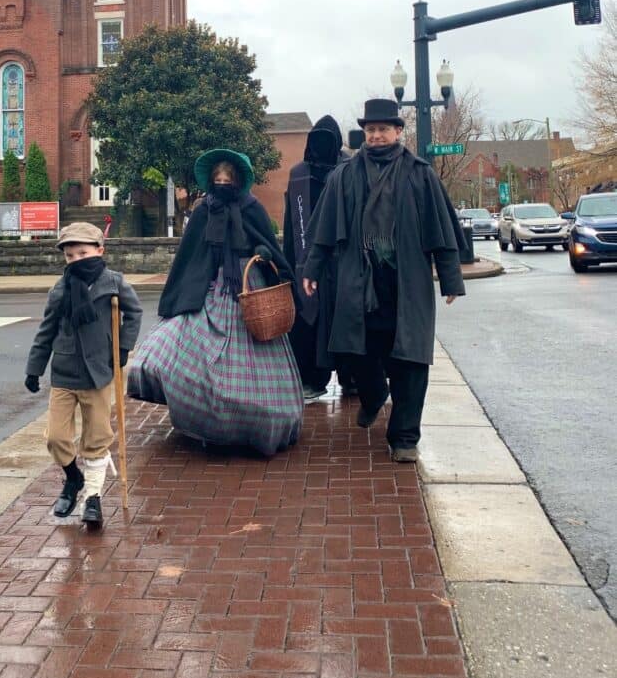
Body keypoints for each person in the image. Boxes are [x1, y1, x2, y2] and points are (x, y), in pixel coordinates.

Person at [302, 100, 465, 462]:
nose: (376, 136)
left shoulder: (420, 174)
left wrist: (450, 278)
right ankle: (374, 395)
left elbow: (440, 228)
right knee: (354, 349)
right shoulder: (344, 175)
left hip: (406, 282)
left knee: (411, 360)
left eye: (383, 130)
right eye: (371, 130)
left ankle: (404, 437)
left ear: (397, 131)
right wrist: (311, 269)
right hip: (359, 280)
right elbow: (324, 230)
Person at [127, 148, 304, 456]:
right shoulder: (202, 210)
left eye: (227, 179)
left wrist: (262, 251)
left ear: (238, 180)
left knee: (251, 355)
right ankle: (211, 423)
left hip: (248, 287)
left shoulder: (252, 207)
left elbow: (266, 240)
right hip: (209, 288)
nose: (222, 184)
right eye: (217, 179)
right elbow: (189, 255)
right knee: (193, 350)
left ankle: (253, 423)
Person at [24, 222, 142, 525]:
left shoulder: (113, 282)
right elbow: (47, 330)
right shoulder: (60, 289)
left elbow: (134, 313)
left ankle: (92, 498)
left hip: (99, 372)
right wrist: (34, 368)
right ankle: (73, 478)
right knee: (56, 438)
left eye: (82, 253)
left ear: (99, 250)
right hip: (65, 373)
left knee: (96, 437)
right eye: (70, 255)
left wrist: (123, 347)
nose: (76, 259)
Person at [283, 115, 355, 400]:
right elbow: (291, 221)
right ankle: (311, 379)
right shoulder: (298, 174)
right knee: (308, 322)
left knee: (345, 321)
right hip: (307, 260)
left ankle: (352, 378)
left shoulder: (350, 169)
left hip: (344, 261)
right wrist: (289, 265)